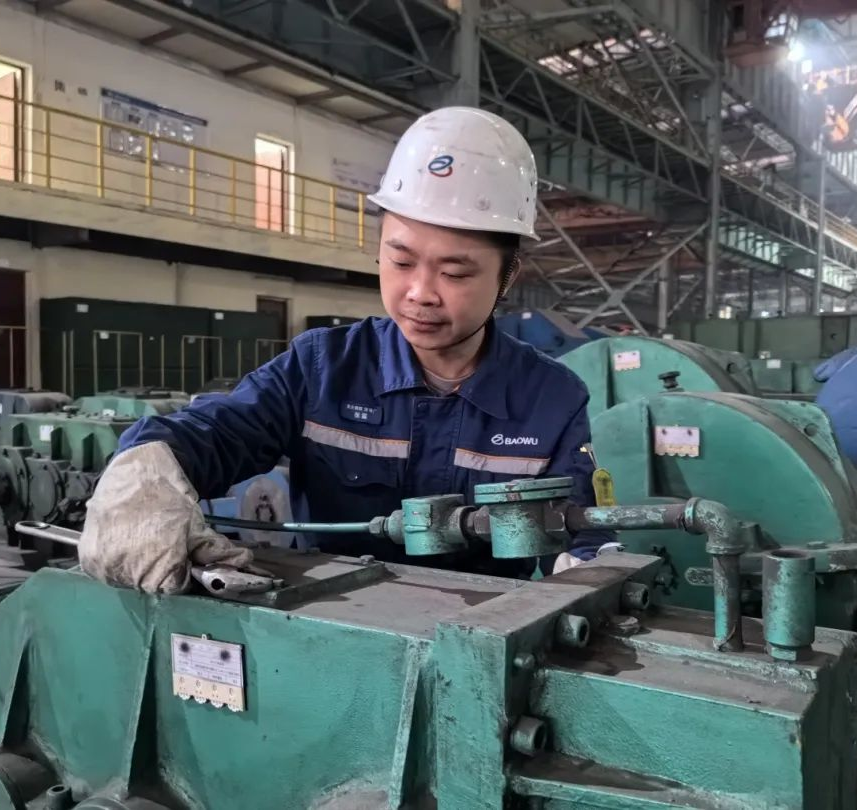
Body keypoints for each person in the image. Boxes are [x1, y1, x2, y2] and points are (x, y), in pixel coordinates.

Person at [79, 106, 612, 594]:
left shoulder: (552, 399)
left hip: (486, 639)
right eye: (400, 262)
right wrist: (147, 470)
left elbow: (582, 532)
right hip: (329, 626)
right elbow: (216, 433)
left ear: (508, 275)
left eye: (454, 273)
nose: (420, 293)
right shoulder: (321, 368)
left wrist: (589, 574)